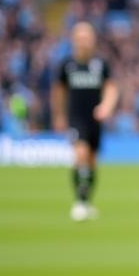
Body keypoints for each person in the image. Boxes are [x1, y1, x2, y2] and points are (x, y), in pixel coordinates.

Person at [52, 21, 118, 221]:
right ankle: (79, 202)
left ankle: (87, 201)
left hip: (95, 120)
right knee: (80, 154)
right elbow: (59, 92)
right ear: (73, 40)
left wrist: (106, 106)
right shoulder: (67, 65)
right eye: (80, 38)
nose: (84, 42)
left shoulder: (100, 64)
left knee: (92, 161)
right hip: (76, 117)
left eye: (87, 37)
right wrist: (59, 116)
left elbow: (111, 88)